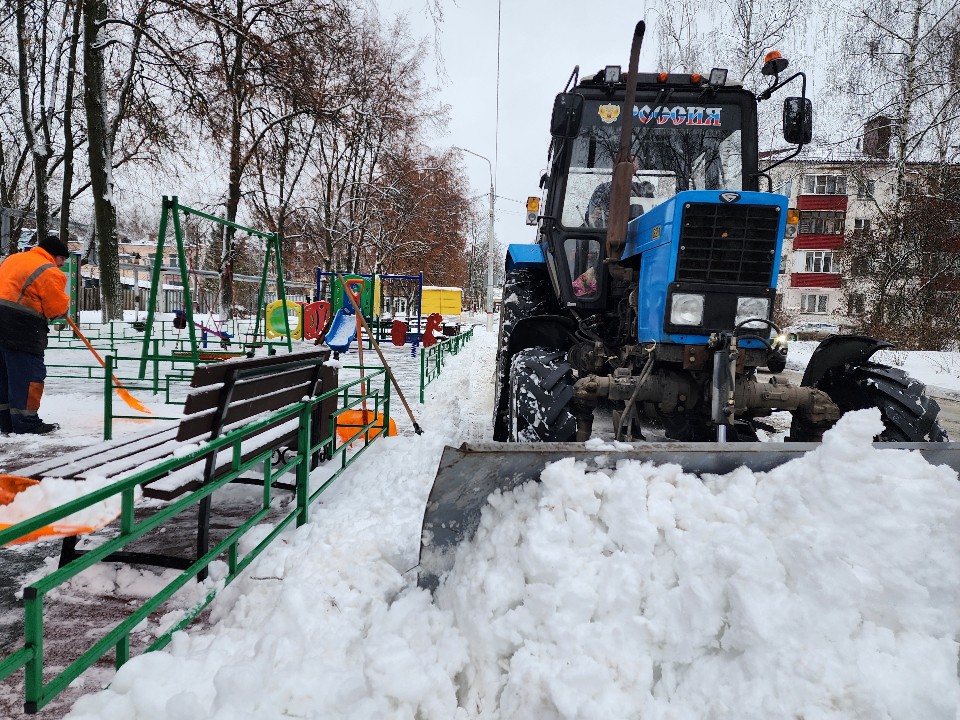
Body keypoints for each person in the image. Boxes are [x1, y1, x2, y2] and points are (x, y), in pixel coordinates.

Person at [0, 235, 70, 434]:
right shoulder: (49, 270)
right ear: (54, 255)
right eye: (62, 259)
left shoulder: (14, 258)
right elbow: (55, 309)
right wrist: (63, 308)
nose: (62, 264)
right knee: (28, 375)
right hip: (22, 328)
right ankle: (27, 423)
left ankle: (6, 422)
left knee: (4, 374)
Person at [585, 175, 656, 227]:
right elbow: (592, 218)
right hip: (607, 239)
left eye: (632, 163)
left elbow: (651, 213)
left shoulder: (641, 189)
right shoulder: (602, 189)